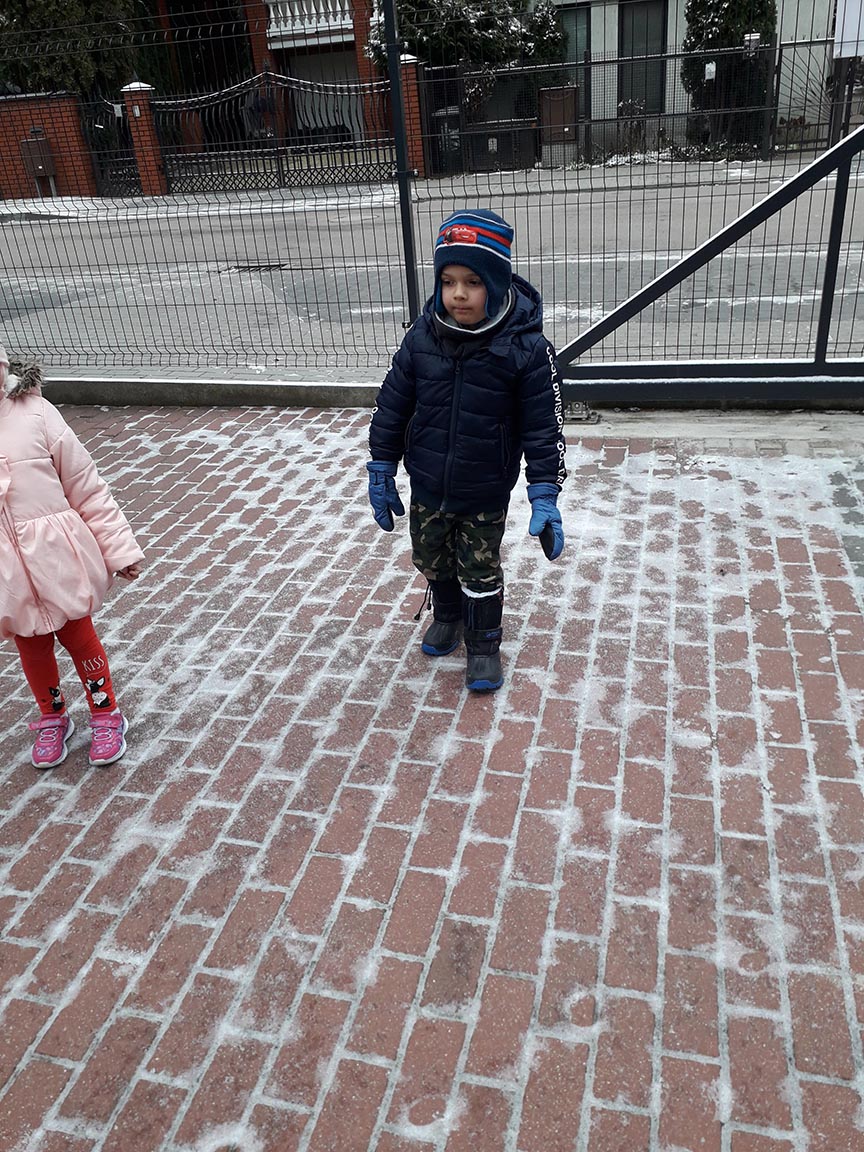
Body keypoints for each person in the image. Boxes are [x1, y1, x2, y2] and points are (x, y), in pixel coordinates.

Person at [367, 209, 566, 692]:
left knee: (479, 570)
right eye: (448, 281)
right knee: (431, 558)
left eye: (473, 282)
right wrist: (382, 464)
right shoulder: (422, 338)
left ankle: (483, 646)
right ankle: (448, 616)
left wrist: (544, 491)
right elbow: (392, 403)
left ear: (495, 284)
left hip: (484, 489)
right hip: (428, 483)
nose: (458, 294)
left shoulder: (526, 349)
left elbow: (543, 426)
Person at [0, 348, 144, 768]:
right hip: (7, 571)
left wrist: (118, 549)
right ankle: (53, 716)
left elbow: (86, 486)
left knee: (79, 635)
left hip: (56, 557)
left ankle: (105, 711)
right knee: (31, 644)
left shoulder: (36, 414)